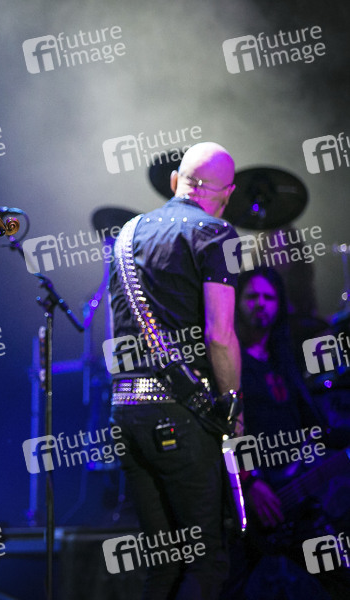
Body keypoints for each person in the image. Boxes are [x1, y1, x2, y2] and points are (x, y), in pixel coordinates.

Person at [107, 142, 242, 599]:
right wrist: (233, 406)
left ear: (173, 182)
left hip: (125, 409)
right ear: (228, 194)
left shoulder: (126, 234)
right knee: (206, 562)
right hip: (181, 414)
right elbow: (220, 335)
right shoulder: (217, 233)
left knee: (162, 566)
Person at [221, 268, 347, 600]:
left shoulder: (283, 360)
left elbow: (315, 427)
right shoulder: (230, 364)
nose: (260, 304)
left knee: (338, 578)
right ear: (238, 302)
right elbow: (225, 431)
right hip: (253, 501)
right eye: (252, 296)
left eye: (269, 297)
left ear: (279, 305)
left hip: (296, 499)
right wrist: (250, 481)